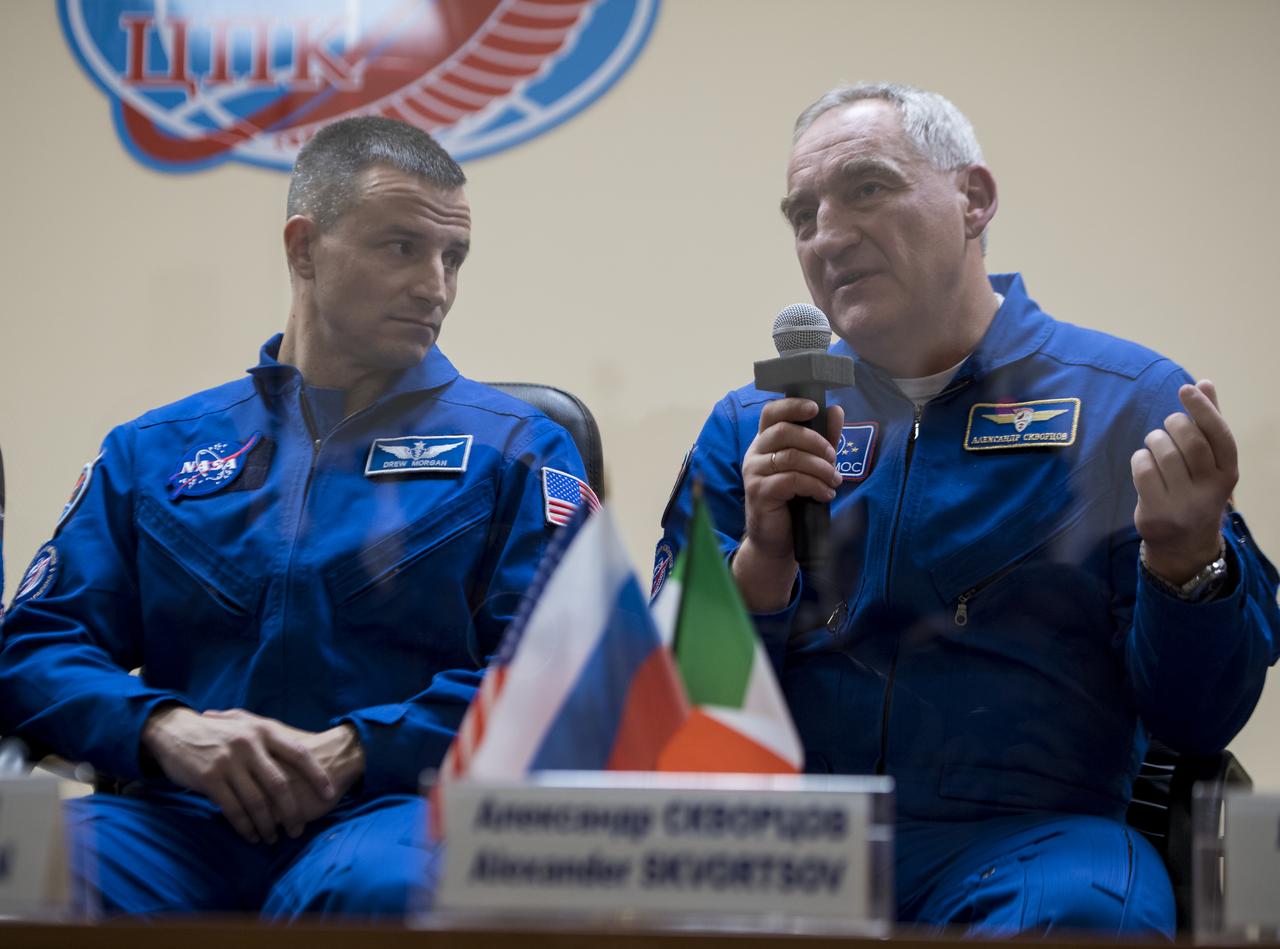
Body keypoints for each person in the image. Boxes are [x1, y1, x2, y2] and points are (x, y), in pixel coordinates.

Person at [654, 82, 1280, 936]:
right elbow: (677, 712)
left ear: (974, 199)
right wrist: (760, 566)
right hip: (789, 843)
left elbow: (1200, 720)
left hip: (1028, 841)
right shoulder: (750, 429)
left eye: (866, 188)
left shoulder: (1125, 403)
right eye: (803, 214)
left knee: (1084, 917)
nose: (828, 234)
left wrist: (1186, 565)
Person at [0, 117, 593, 918]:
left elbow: (566, 673)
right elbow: (34, 646)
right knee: (24, 864)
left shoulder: (516, 449)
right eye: (402, 247)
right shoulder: (156, 449)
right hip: (177, 818)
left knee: (382, 892)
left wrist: (360, 747)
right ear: (304, 248)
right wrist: (163, 729)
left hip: (394, 810)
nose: (435, 286)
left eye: (453, 257)